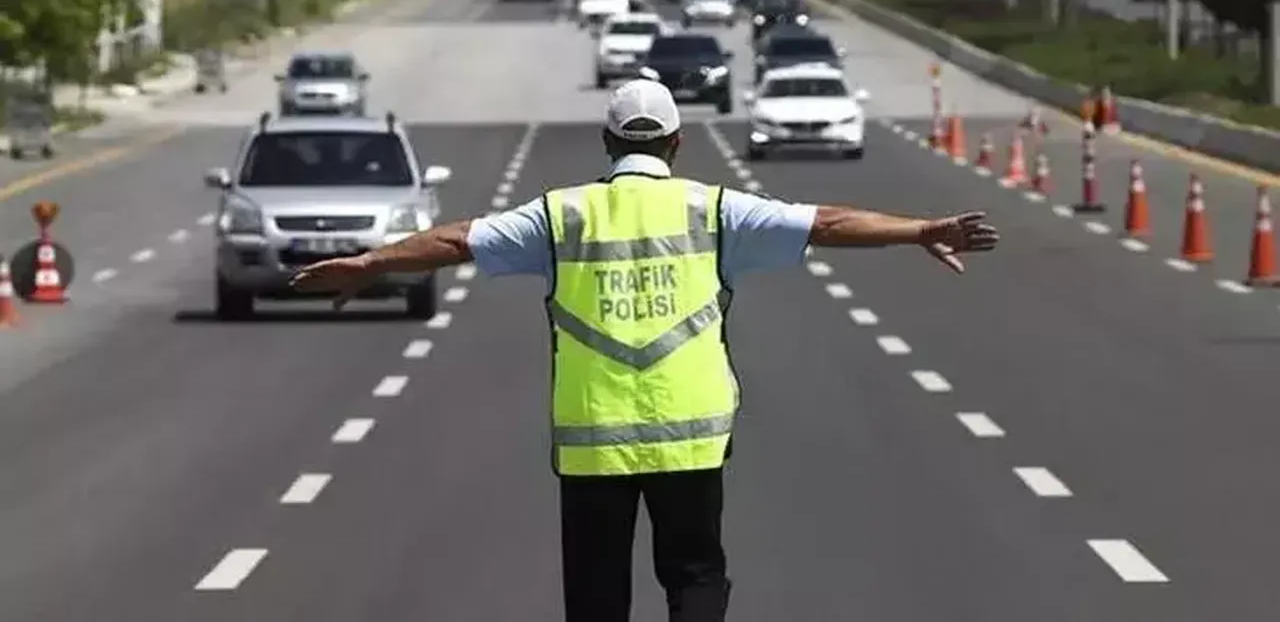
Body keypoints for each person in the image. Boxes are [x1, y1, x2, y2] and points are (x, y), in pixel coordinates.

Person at [289, 79, 999, 622]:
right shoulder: (715, 209)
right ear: (676, 143)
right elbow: (828, 221)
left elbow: (455, 239)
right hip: (689, 435)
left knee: (597, 588)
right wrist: (920, 229)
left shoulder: (561, 216)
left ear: (606, 143)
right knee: (694, 575)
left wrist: (373, 262)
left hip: (593, 438)